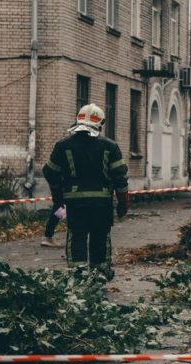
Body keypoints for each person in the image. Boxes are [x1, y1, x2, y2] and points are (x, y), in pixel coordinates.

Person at [42, 104, 129, 277]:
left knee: (76, 236)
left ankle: (77, 273)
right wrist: (123, 204)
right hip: (102, 203)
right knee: (100, 236)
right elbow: (120, 178)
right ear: (100, 123)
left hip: (75, 203)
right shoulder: (110, 146)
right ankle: (100, 271)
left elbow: (50, 172)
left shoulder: (63, 146)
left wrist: (58, 198)